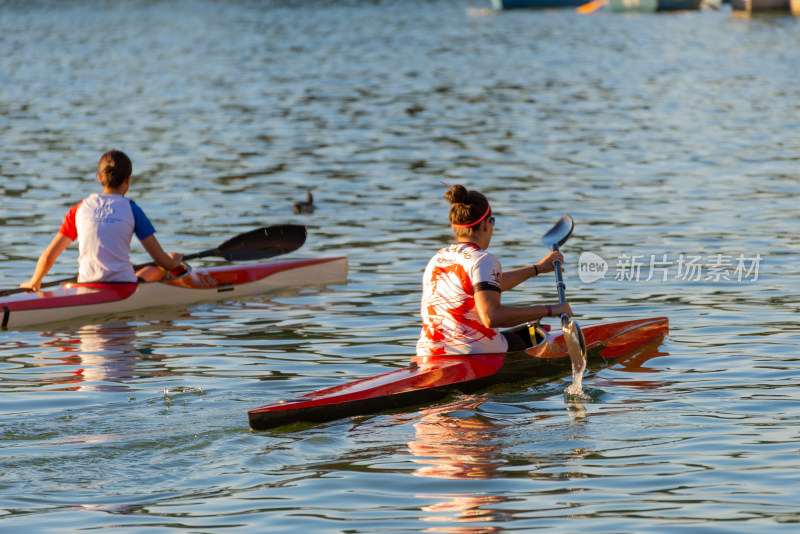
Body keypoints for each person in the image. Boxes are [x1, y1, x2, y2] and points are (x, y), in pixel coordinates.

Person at [416, 184, 572, 356]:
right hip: (474, 354)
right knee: (529, 337)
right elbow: (491, 317)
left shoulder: (437, 259)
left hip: (428, 354)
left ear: (454, 227)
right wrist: (551, 310)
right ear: (486, 224)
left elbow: (485, 287)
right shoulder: (483, 259)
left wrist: (536, 269)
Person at [20, 150, 183, 292]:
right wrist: (173, 263)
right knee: (158, 269)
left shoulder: (79, 209)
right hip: (124, 287)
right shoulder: (132, 210)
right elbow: (160, 259)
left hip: (85, 285)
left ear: (99, 178)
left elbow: (48, 258)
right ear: (128, 180)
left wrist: (35, 281)